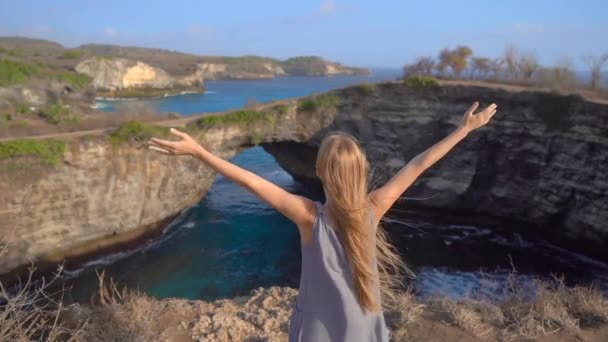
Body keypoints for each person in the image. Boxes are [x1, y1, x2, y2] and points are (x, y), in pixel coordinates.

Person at [149, 101, 497, 342]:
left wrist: (200, 152)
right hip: (362, 328)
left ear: (319, 171)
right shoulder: (374, 209)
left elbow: (251, 182)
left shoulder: (308, 216)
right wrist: (463, 130)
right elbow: (419, 164)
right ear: (362, 171)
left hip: (320, 330)